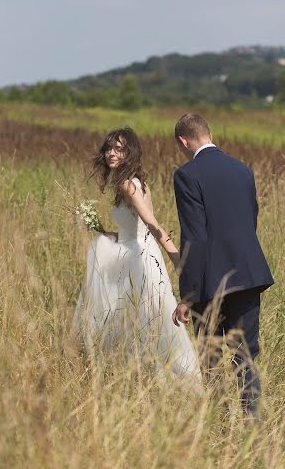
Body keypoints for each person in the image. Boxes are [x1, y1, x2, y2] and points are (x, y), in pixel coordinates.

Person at [72, 127, 201, 385]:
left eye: (119, 149)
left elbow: (151, 223)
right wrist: (108, 234)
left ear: (129, 153)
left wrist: (175, 256)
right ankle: (143, 375)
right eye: (109, 148)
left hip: (138, 258)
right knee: (141, 318)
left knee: (149, 316)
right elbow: (136, 228)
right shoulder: (137, 182)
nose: (111, 153)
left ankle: (174, 376)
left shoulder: (128, 185)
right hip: (134, 251)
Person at [171, 113, 274, 416]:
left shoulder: (186, 175)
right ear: (209, 133)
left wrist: (188, 295)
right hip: (249, 273)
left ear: (183, 141)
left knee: (210, 356)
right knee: (247, 355)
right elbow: (250, 220)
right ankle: (250, 427)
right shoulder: (243, 170)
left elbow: (195, 237)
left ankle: (216, 420)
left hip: (210, 281)